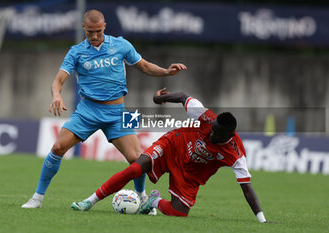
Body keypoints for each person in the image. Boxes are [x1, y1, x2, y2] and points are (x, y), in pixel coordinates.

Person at [21, 10, 187, 209]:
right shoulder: (76, 51)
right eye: (90, 32)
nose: (94, 36)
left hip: (119, 111)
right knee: (58, 147)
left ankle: (142, 198)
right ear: (84, 28)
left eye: (98, 31)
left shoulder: (121, 44)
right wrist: (57, 94)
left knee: (138, 159)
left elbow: (143, 65)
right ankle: (37, 198)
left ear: (104, 27)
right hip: (87, 110)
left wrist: (167, 71)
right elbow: (58, 80)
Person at [70, 88, 267, 222]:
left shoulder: (236, 153)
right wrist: (160, 99)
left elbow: (247, 188)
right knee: (137, 167)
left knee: (179, 213)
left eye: (216, 133)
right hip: (172, 145)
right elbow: (183, 96)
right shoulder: (206, 116)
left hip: (190, 174)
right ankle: (90, 201)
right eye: (212, 128)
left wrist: (262, 220)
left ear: (229, 135)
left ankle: (152, 201)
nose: (211, 132)